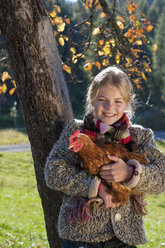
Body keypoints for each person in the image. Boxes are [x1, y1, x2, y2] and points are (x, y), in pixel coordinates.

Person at [44, 66, 165, 248]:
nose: (110, 107)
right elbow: (53, 173)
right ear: (92, 100)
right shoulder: (76, 131)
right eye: (103, 100)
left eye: (118, 101)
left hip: (125, 238)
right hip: (81, 238)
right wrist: (95, 186)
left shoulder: (140, 136)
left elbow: (161, 177)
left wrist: (130, 173)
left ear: (126, 103)